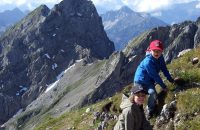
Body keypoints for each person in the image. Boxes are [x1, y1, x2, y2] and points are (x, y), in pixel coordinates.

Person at [133, 39, 174, 119]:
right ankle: (134, 112)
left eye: (159, 51)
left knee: (153, 93)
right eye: (154, 50)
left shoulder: (160, 57)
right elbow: (155, 76)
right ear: (150, 50)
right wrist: (164, 87)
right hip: (139, 81)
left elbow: (164, 69)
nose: (157, 53)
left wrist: (170, 80)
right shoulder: (148, 62)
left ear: (162, 51)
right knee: (137, 98)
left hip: (149, 82)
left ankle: (150, 110)